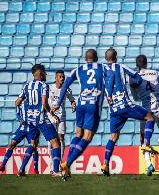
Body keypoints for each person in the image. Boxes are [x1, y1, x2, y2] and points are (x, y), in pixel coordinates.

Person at [52, 49, 109, 179]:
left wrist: (59, 103)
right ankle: (68, 163)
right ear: (96, 58)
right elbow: (112, 78)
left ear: (85, 58)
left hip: (81, 104)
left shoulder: (77, 69)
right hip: (93, 104)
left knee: (78, 134)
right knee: (87, 137)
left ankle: (66, 165)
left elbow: (65, 85)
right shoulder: (102, 67)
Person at [101, 48, 157, 176]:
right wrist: (135, 85)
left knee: (113, 136)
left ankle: (105, 163)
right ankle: (146, 144)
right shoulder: (120, 67)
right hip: (125, 105)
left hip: (113, 109)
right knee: (150, 118)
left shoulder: (101, 70)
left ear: (106, 58)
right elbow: (136, 77)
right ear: (116, 56)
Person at [16, 64, 61, 176]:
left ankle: (21, 170)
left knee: (33, 144)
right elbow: (44, 103)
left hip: (30, 120)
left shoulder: (26, 86)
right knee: (56, 143)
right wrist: (52, 113)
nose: (45, 74)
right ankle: (55, 171)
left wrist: (20, 117)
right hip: (41, 119)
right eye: (44, 72)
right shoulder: (44, 85)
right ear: (40, 74)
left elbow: (17, 102)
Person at [47, 70, 76, 173]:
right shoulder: (49, 88)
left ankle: (58, 163)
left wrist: (73, 104)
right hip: (50, 117)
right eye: (60, 77)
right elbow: (44, 100)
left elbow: (72, 99)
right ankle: (51, 164)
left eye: (63, 77)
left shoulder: (66, 89)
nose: (62, 79)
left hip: (61, 117)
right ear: (55, 78)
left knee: (61, 138)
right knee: (52, 140)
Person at [0, 105, 39, 174]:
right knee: (11, 144)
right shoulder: (21, 103)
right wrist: (20, 119)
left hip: (32, 128)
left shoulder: (35, 103)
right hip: (22, 128)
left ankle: (35, 169)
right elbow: (18, 113)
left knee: (33, 147)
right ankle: (2, 166)